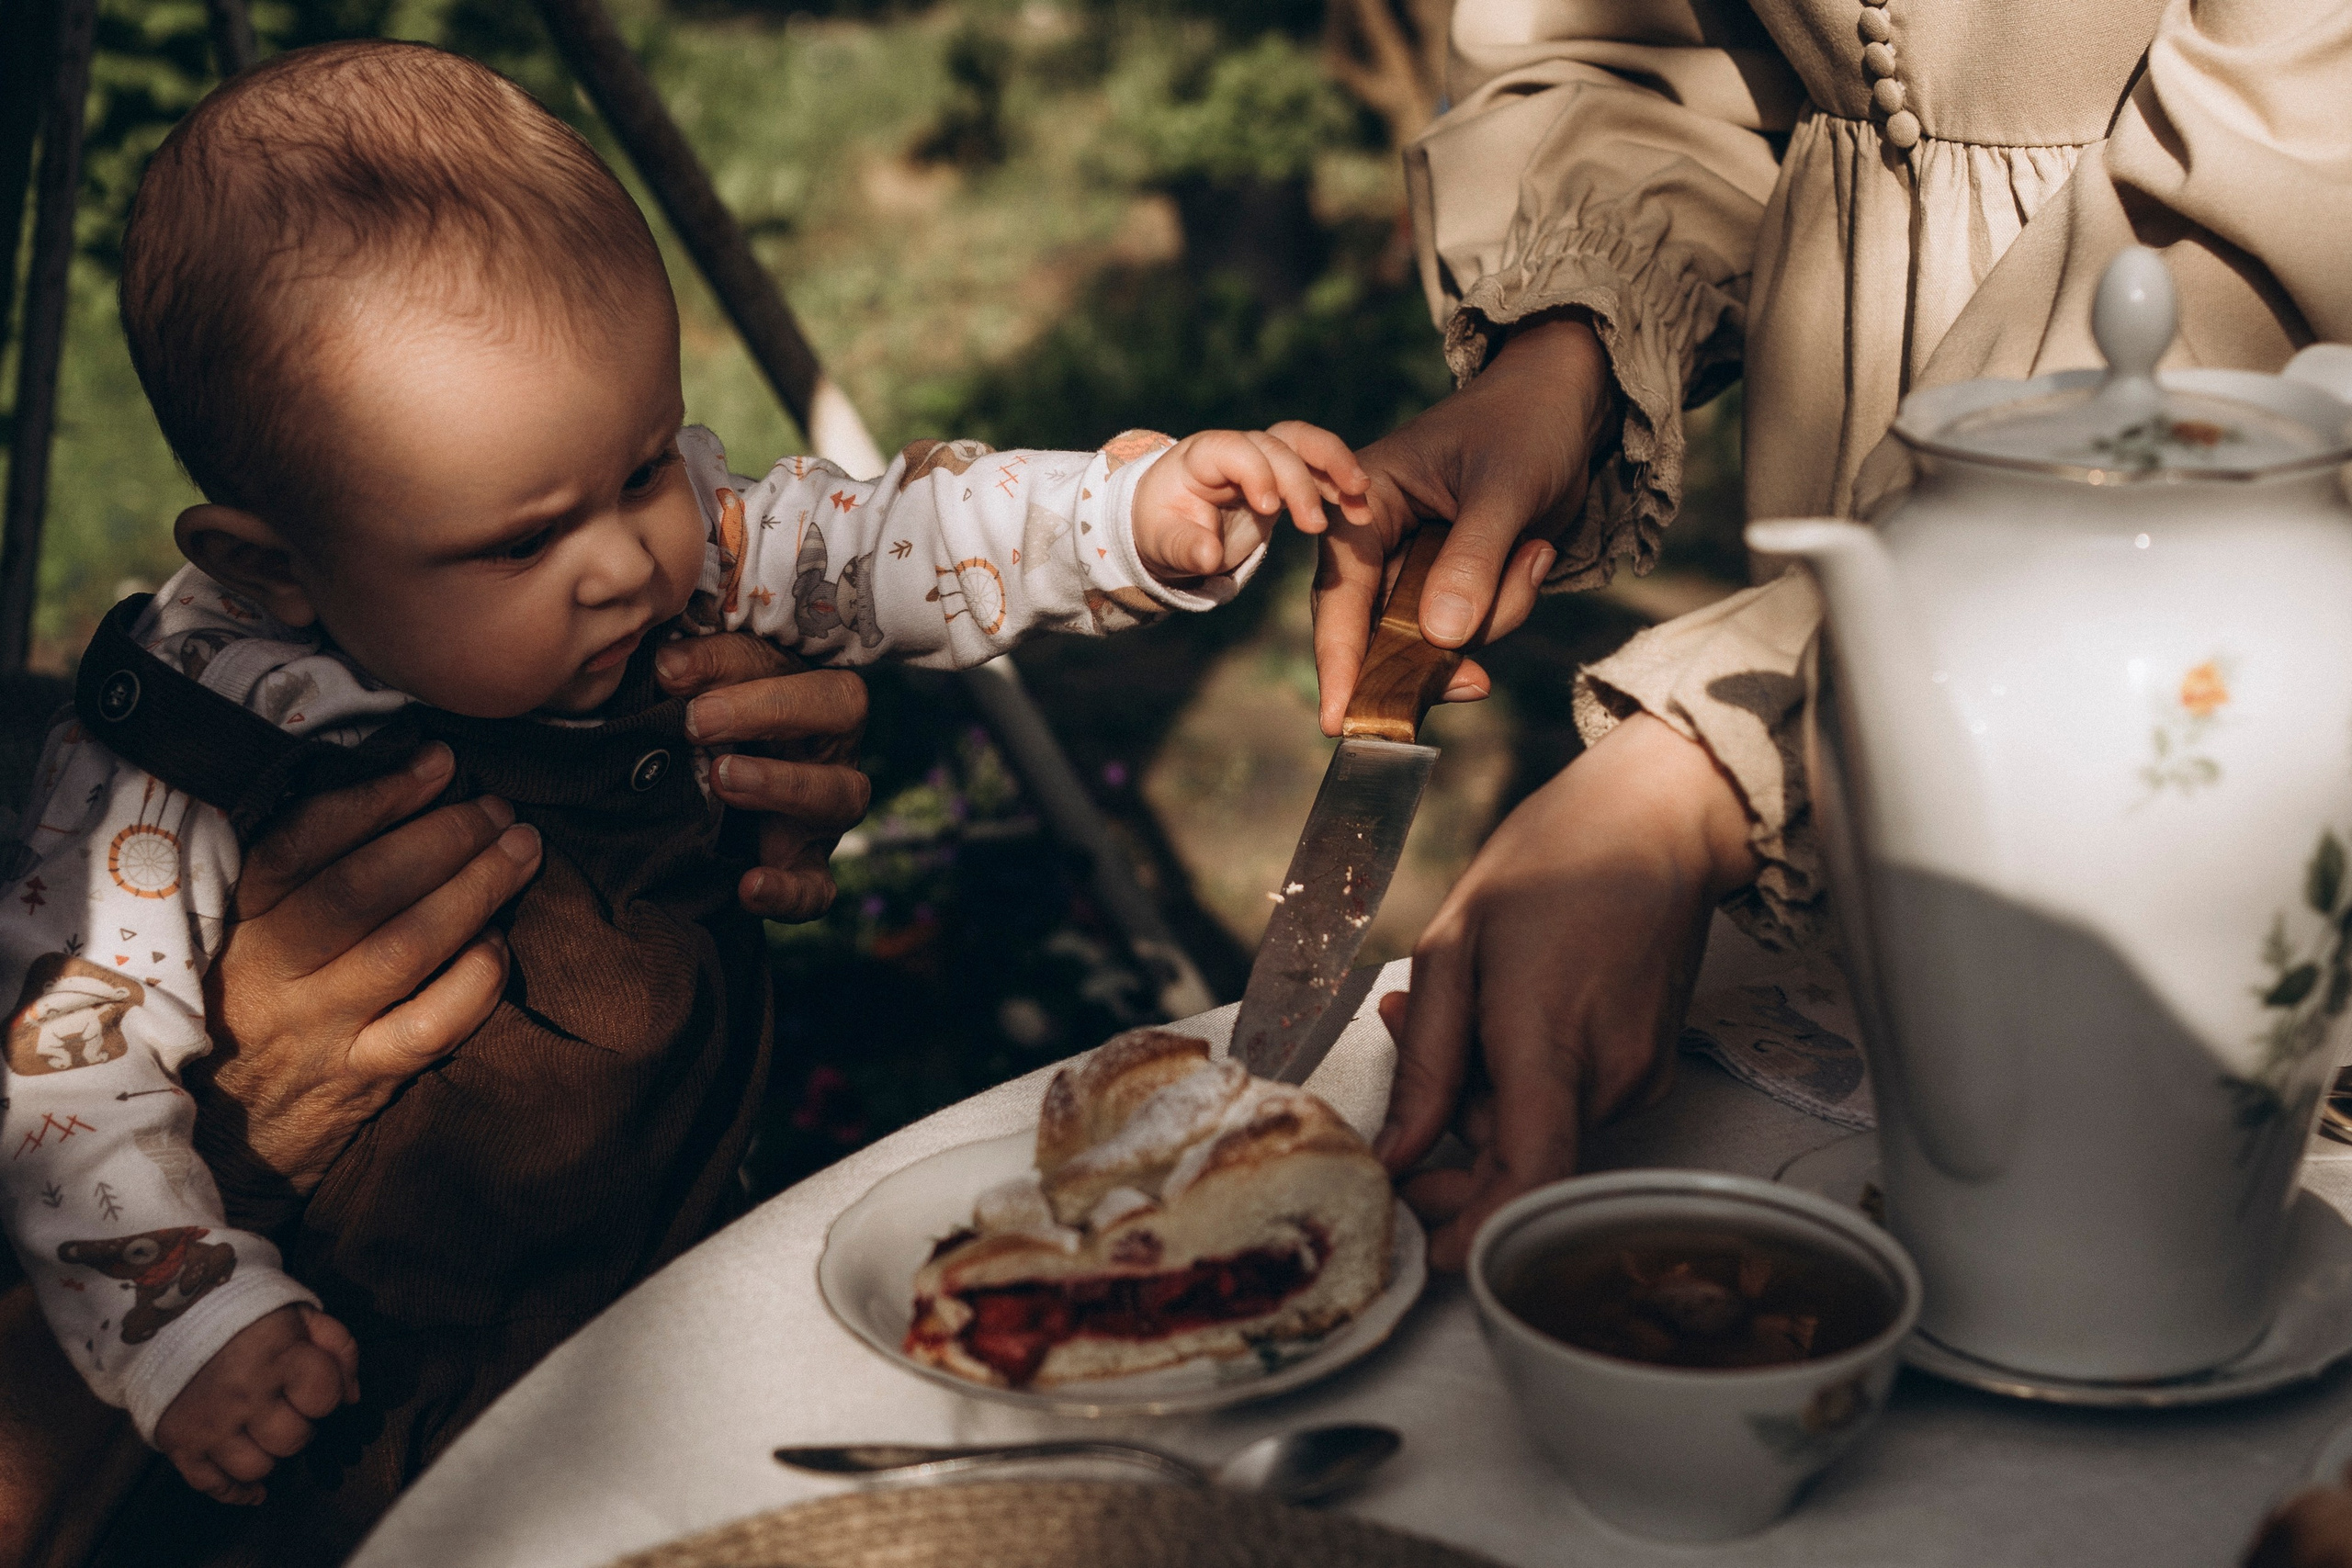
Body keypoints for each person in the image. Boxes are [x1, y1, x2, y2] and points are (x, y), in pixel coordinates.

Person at [0, 38, 1369, 1560]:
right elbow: (69, 1078)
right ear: (274, 565)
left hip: (676, 1258)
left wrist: (1131, 516)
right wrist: (189, 1324)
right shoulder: (177, 757)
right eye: (522, 545)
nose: (630, 559)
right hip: (372, 1378)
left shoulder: (665, 545)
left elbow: (897, 531)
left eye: (645, 462)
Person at [1307, 0, 2352, 1270]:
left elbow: (2274, 226)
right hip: (1870, 835)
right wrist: (1564, 352)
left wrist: (1709, 770)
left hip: (2240, 675)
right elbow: (1667, 50)